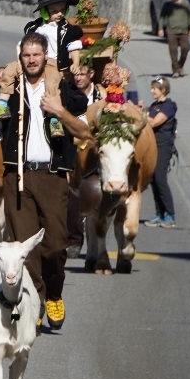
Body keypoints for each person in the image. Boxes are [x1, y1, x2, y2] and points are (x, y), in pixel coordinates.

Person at [0, 32, 90, 332]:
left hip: (52, 177)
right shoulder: (9, 91)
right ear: (20, 58)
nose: (31, 60)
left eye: (36, 54)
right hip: (17, 177)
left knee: (54, 247)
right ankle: (35, 303)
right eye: (26, 55)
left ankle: (54, 293)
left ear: (45, 56)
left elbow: (83, 131)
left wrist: (59, 111)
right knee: (26, 250)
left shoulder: (61, 88)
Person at [64, 61, 106, 257]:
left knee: (97, 193)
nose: (78, 78)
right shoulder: (69, 93)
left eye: (82, 74)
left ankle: (95, 242)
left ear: (91, 74)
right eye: (76, 75)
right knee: (73, 194)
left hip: (96, 150)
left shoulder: (102, 95)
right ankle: (74, 240)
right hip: (75, 147)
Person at [144, 76, 178, 228]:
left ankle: (170, 215)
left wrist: (143, 114)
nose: (152, 91)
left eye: (154, 89)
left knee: (160, 179)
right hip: (153, 146)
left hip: (163, 147)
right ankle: (160, 214)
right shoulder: (154, 106)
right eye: (152, 88)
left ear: (163, 90)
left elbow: (154, 122)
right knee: (153, 180)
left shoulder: (169, 106)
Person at [158, 0, 190, 77]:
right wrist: (160, 28)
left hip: (184, 31)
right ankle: (175, 71)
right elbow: (162, 17)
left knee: (185, 49)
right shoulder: (167, 4)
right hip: (171, 31)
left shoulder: (186, 3)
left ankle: (180, 66)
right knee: (173, 51)